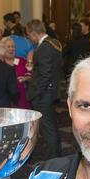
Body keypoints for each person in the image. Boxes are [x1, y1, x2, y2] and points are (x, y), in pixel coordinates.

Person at [26, 19, 62, 160]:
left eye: (29, 35)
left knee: (48, 130)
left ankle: (54, 159)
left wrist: (36, 94)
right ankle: (56, 157)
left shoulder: (45, 47)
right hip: (50, 92)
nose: (29, 38)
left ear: (34, 33)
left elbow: (45, 75)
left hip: (44, 95)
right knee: (51, 127)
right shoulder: (54, 42)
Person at [2, 36, 32, 109]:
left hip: (22, 98)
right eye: (8, 47)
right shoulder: (0, 62)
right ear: (2, 49)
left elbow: (31, 76)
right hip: (5, 98)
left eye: (13, 47)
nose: (11, 49)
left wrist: (26, 78)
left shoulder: (21, 61)